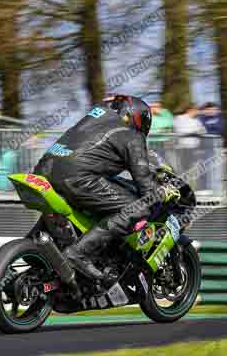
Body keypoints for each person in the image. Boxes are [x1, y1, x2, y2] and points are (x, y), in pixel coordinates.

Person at [33, 95, 179, 281]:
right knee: (139, 207)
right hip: (75, 177)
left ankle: (36, 250)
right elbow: (145, 186)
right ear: (139, 120)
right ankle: (79, 253)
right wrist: (164, 192)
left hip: (44, 169)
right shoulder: (132, 135)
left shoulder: (93, 121)